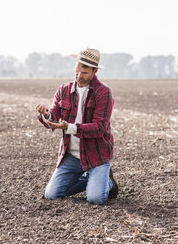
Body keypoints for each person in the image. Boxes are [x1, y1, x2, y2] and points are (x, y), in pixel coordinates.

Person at [35, 48, 118, 205]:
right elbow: (54, 115)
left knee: (95, 198)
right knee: (52, 194)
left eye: (84, 72)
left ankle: (106, 181)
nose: (79, 76)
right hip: (72, 156)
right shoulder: (64, 90)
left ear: (94, 71)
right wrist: (46, 115)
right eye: (77, 70)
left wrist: (69, 127)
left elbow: (99, 127)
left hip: (96, 155)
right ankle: (93, 179)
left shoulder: (103, 93)